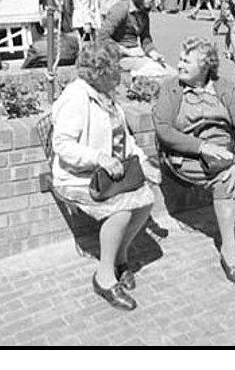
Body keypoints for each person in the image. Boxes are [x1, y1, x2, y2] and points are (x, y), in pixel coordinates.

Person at [153, 37, 235, 288]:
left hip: (225, 151)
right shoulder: (172, 88)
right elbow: (163, 129)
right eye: (181, 59)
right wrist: (202, 147)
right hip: (189, 155)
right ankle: (229, 248)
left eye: (186, 61)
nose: (179, 64)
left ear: (205, 67)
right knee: (226, 180)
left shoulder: (225, 88)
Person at [51, 42, 157, 311]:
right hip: (77, 176)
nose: (121, 75)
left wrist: (144, 164)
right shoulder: (76, 98)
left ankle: (120, 256)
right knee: (120, 212)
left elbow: (126, 140)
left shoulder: (105, 96)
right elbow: (62, 145)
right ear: (99, 72)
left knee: (145, 201)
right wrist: (98, 158)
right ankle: (104, 277)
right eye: (115, 70)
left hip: (108, 174)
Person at [98, 0, 167, 75]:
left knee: (164, 69)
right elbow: (101, 38)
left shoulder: (143, 13)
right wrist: (127, 51)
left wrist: (153, 52)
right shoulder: (121, 9)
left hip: (135, 55)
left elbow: (145, 38)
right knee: (155, 71)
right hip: (116, 57)